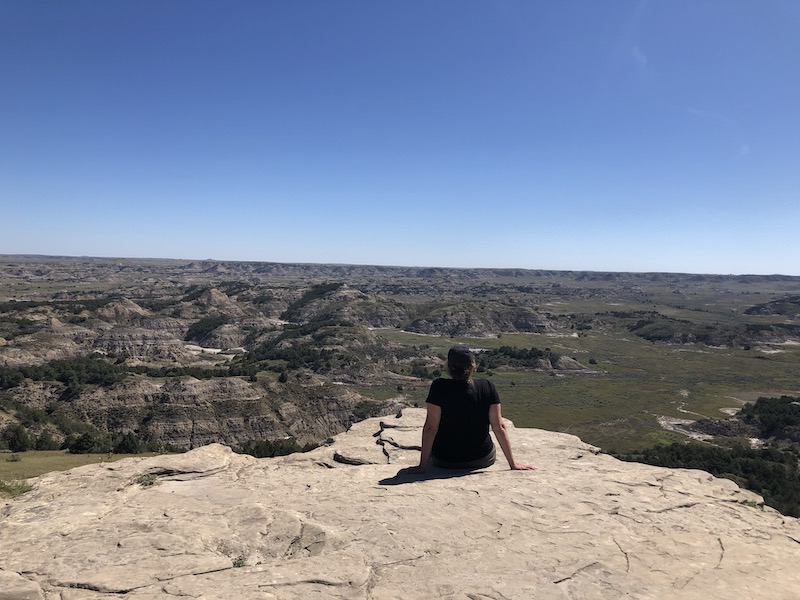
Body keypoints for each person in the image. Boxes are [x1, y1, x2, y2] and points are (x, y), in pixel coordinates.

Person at [400, 345, 535, 474]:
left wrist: (422, 466)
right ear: (472, 366)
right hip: (482, 458)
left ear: (448, 367)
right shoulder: (487, 386)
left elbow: (430, 428)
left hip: (445, 459)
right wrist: (513, 464)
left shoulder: (439, 387)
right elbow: (499, 427)